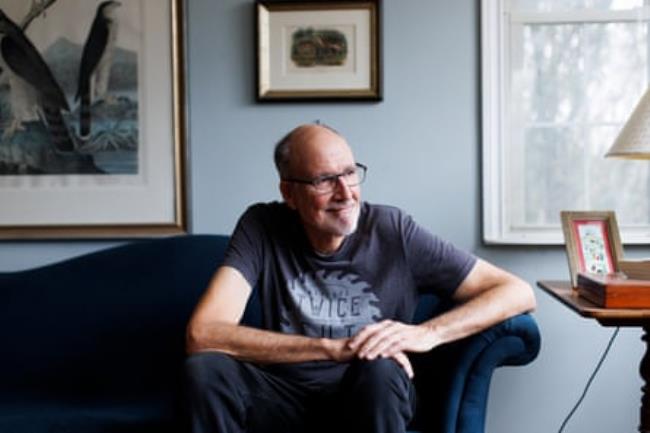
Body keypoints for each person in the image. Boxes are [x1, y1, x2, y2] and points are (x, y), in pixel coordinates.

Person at [184, 123, 536, 433]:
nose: (346, 192)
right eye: (324, 180)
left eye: (350, 173)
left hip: (369, 394)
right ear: (289, 193)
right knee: (206, 369)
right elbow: (202, 334)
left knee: (380, 370)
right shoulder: (262, 226)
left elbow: (516, 292)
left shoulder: (393, 230)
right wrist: (331, 348)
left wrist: (427, 333)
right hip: (284, 397)